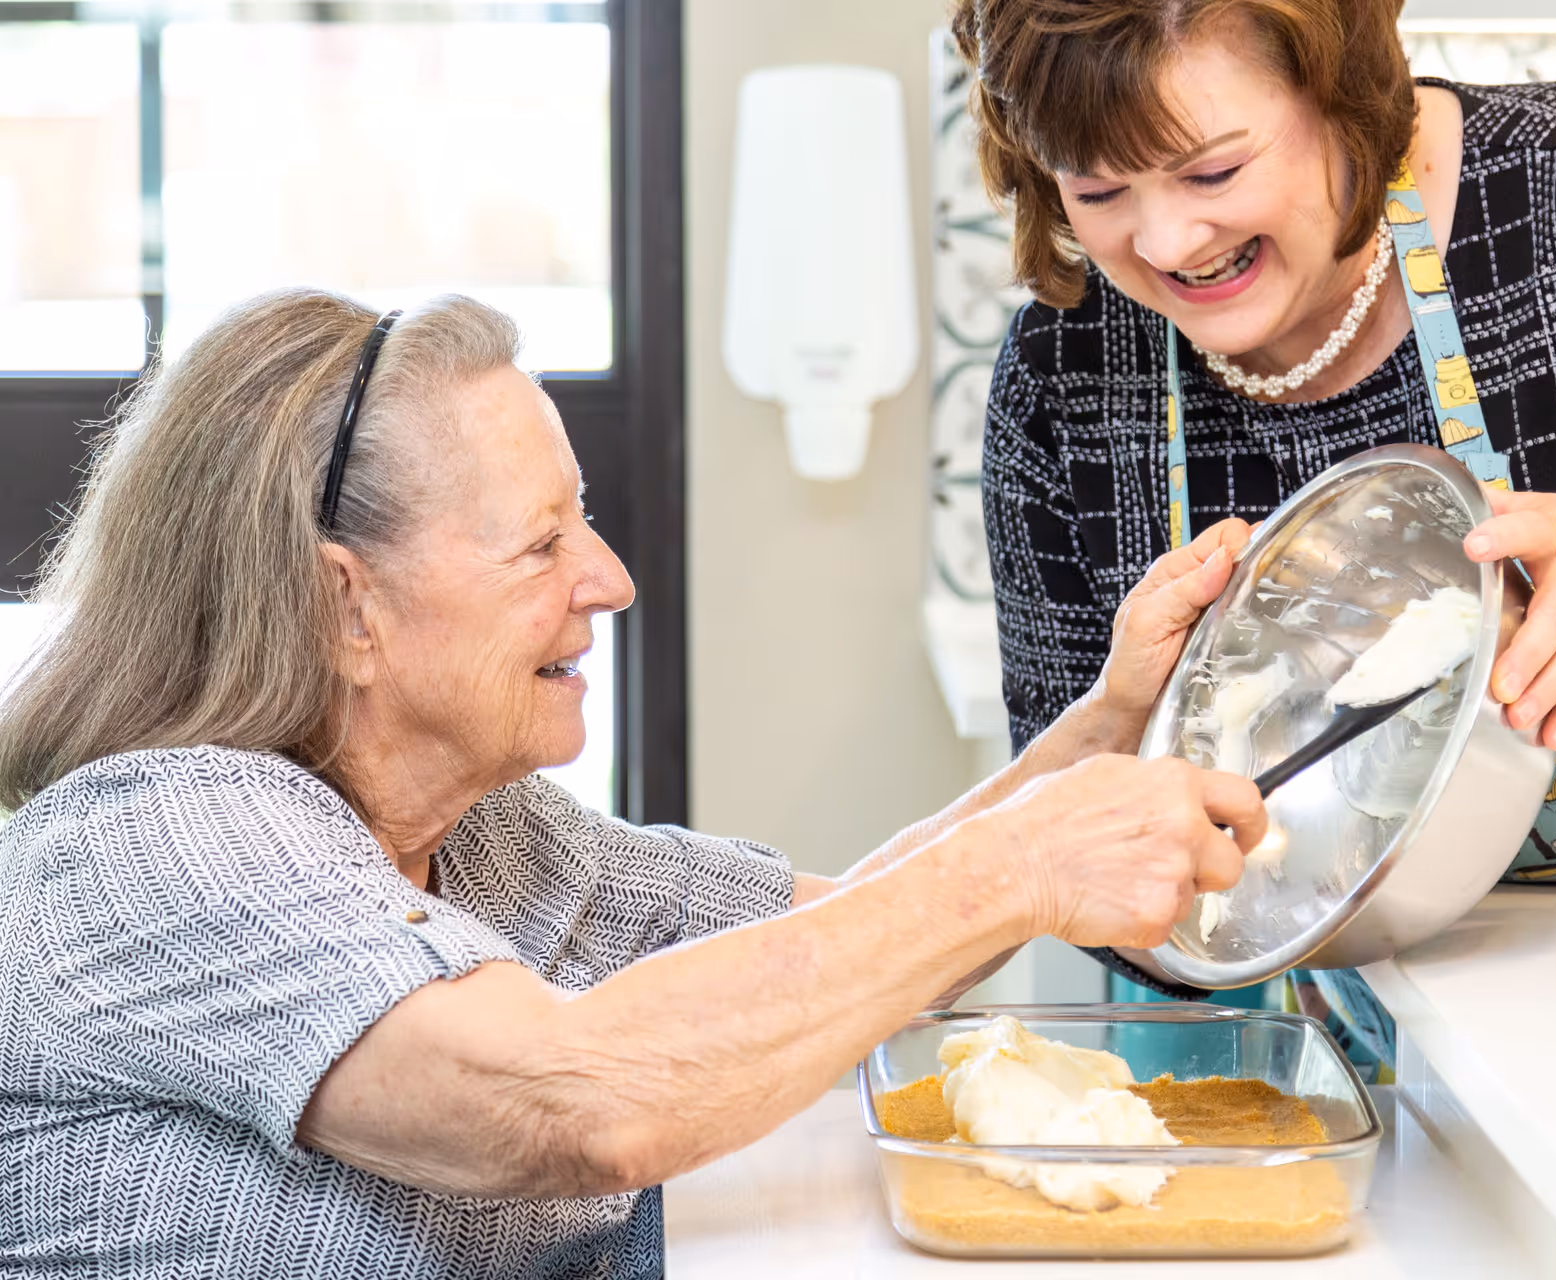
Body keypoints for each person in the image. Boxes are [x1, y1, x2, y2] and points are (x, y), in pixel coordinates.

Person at [0, 289, 1271, 1279]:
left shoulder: (484, 831)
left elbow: (835, 943)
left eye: (586, 517)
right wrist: (1022, 863)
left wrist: (1109, 721)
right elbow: (576, 1098)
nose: (607, 577)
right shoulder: (149, 842)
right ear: (349, 609)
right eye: (541, 542)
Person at [956, 0, 1556, 1076]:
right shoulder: (1068, 373)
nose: (1168, 241)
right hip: (1403, 1059)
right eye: (1097, 190)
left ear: (1340, 85)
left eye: (1214, 172)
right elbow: (1079, 868)